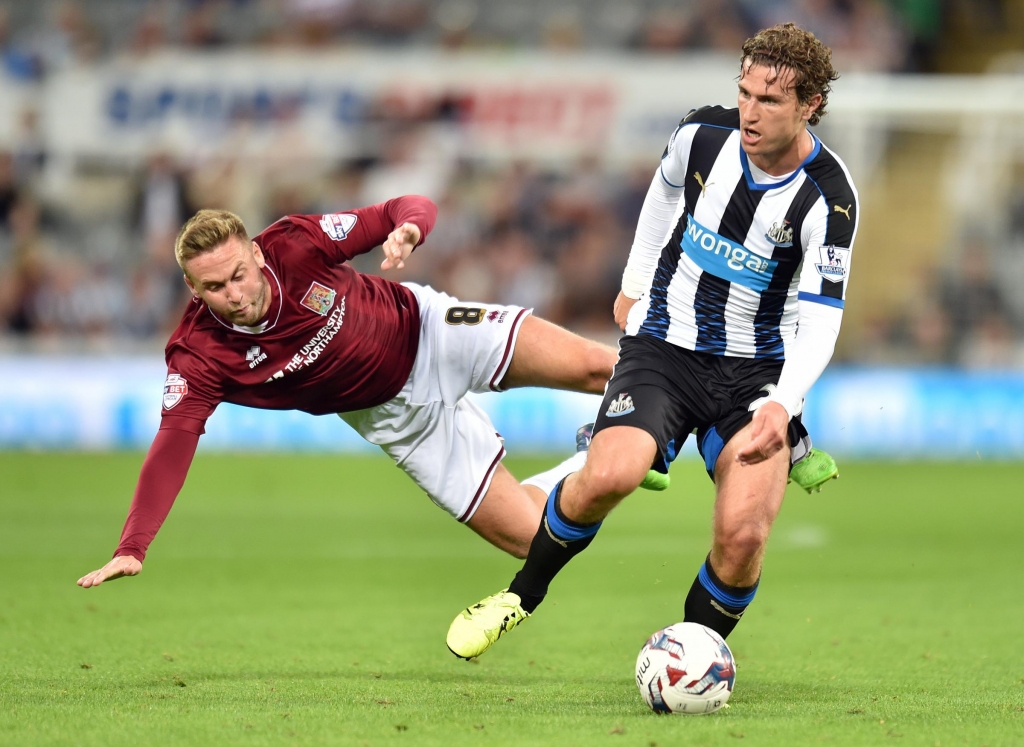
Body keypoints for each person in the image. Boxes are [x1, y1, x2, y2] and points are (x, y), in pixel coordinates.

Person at [447, 22, 857, 659]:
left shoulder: (829, 199)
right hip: (665, 346)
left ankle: (692, 659)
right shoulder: (701, 136)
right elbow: (663, 191)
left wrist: (785, 402)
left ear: (811, 106)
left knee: (744, 535)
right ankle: (520, 596)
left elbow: (823, 317)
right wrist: (636, 280)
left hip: (755, 376)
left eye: (770, 101)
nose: (750, 111)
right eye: (744, 93)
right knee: (611, 473)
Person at [77, 195, 632, 588]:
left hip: (433, 331)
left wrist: (409, 230)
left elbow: (404, 208)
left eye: (240, 274)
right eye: (215, 287)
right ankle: (592, 451)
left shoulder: (295, 244)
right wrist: (133, 545)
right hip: (397, 421)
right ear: (192, 288)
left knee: (597, 367)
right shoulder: (197, 353)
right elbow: (173, 443)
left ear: (257, 255)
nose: (235, 293)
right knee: (535, 539)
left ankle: (699, 403)